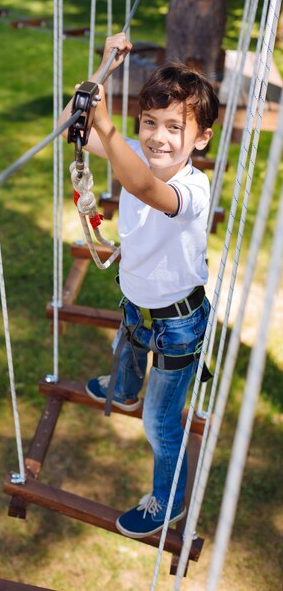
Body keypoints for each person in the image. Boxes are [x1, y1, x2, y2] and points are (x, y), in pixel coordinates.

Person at [59, 32, 219, 539]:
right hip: (139, 302)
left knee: (160, 422)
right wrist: (103, 71)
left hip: (179, 323)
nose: (158, 137)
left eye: (175, 127)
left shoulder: (191, 187)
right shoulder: (133, 153)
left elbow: (145, 188)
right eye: (149, 122)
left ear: (200, 139)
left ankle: (167, 502)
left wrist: (107, 129)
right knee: (126, 344)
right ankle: (124, 389)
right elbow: (68, 122)